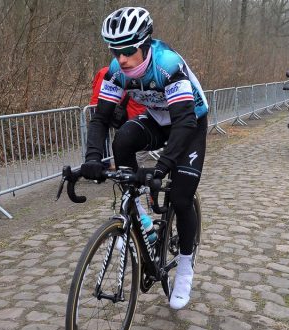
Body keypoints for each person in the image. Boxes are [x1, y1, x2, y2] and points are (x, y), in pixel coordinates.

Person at [80, 6, 208, 309]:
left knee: (179, 197)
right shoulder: (116, 72)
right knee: (123, 138)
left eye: (128, 49)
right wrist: (93, 158)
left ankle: (186, 268)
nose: (121, 57)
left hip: (189, 123)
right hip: (157, 120)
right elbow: (100, 119)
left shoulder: (167, 64)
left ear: (144, 44)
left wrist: (162, 168)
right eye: (115, 50)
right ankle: (141, 217)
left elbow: (184, 121)